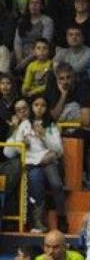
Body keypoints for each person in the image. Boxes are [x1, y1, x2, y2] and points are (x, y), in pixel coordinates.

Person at [6, 93, 65, 232]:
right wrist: (23, 145)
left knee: (56, 184)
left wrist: (44, 135)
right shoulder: (25, 124)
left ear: (47, 108)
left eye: (43, 105)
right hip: (33, 164)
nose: (39, 108)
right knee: (35, 180)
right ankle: (38, 221)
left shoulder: (51, 125)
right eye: (36, 105)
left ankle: (62, 217)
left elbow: (58, 150)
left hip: (48, 162)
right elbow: (13, 151)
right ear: (31, 107)